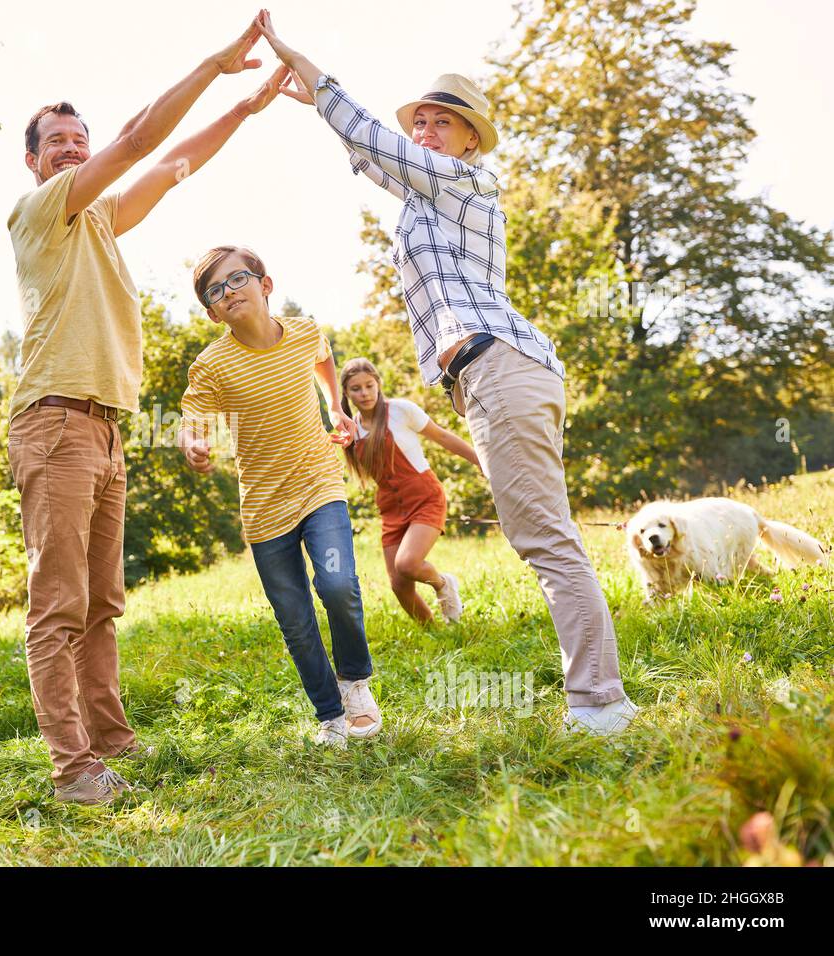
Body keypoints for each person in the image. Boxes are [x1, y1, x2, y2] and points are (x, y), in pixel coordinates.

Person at [254, 9, 638, 735]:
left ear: (469, 139)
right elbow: (371, 156)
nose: (424, 131)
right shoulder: (431, 196)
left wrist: (296, 58)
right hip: (489, 379)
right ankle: (598, 697)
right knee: (542, 537)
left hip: (502, 367)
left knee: (547, 541)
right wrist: (319, 110)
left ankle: (600, 702)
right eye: (420, 121)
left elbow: (371, 137)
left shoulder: (465, 184)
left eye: (439, 122)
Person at [7, 15, 291, 804]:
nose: (73, 147)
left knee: (101, 604)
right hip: (54, 422)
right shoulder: (42, 215)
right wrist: (213, 63)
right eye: (59, 140)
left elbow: (168, 163)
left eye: (78, 137)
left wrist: (245, 107)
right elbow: (134, 142)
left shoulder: (98, 220)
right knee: (58, 606)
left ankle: (112, 743)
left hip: (104, 428)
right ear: (36, 161)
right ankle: (73, 772)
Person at [177, 245, 381, 748]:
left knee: (337, 584)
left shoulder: (304, 331)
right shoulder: (212, 366)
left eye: (237, 279)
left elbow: (324, 355)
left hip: (319, 485)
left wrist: (335, 405)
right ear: (211, 312)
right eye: (215, 291)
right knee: (294, 619)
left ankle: (354, 684)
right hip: (265, 509)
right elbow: (192, 420)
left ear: (265, 285)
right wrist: (193, 443)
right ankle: (330, 714)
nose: (228, 292)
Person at [340, 357, 480, 626]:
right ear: (346, 394)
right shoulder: (350, 429)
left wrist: (479, 461)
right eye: (356, 389)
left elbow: (442, 437)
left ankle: (443, 584)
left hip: (425, 497)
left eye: (369, 385)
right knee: (399, 585)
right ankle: (436, 634)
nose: (365, 393)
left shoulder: (401, 411)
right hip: (390, 507)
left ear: (378, 385)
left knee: (407, 564)